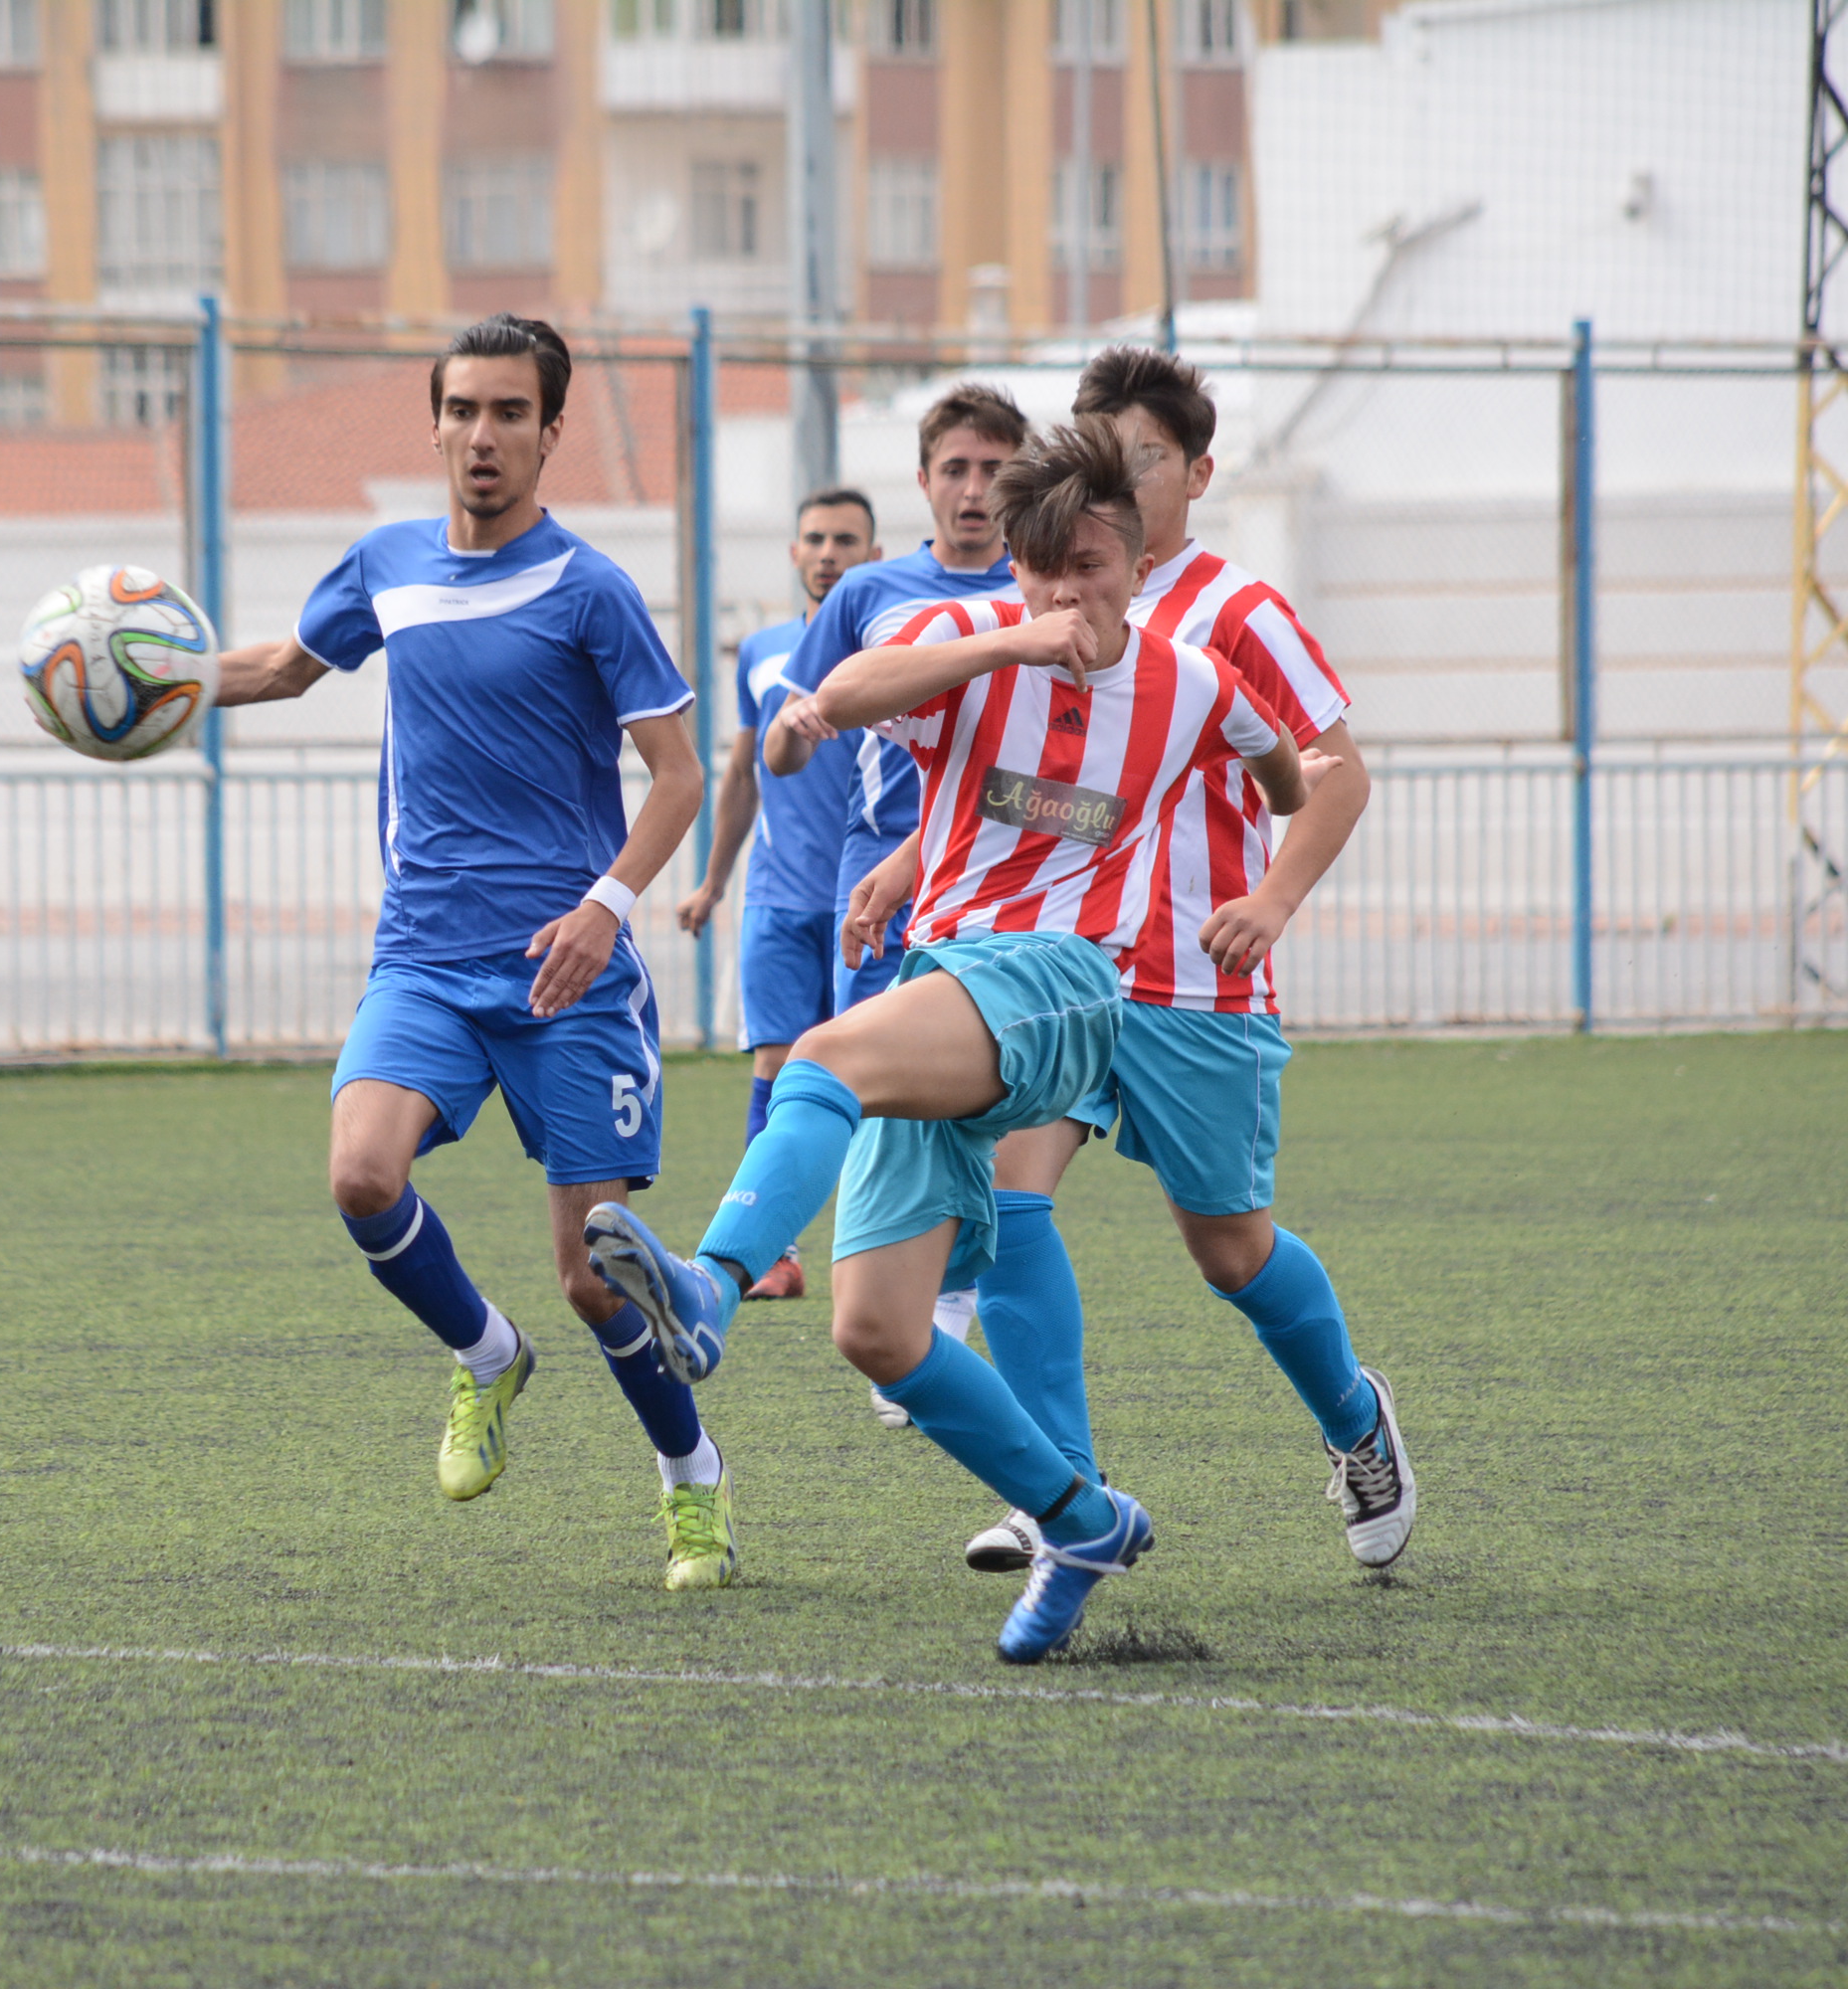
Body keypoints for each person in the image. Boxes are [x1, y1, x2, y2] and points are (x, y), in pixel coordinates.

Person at [586, 421, 1311, 1661]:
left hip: (1071, 981)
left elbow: (1285, 769)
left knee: (822, 1058)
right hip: (949, 973)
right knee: (876, 1328)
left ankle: (707, 1290)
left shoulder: (1190, 679)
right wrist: (1000, 643)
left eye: (1086, 565)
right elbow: (846, 694)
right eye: (1037, 567)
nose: (1060, 590)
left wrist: (1260, 849)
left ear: (1135, 565)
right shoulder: (974, 646)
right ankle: (1079, 1518)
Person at [203, 314, 734, 1592]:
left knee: (597, 1275)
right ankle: (487, 1357)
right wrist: (144, 685)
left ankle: (691, 1480)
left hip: (569, 976)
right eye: (462, 412)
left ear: (552, 431)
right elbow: (282, 667)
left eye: (509, 413)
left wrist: (608, 902)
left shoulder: (591, 588)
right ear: (433, 422)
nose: (482, 436)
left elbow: (677, 775)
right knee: (359, 1177)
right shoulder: (386, 563)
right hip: (427, 959)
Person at [905, 345, 1411, 1578]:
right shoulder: (1046, 597)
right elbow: (1001, 773)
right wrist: (899, 868)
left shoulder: (1233, 612)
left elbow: (1331, 772)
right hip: (1065, 969)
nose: (1115, 471)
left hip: (1195, 981)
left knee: (1229, 1248)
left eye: (1141, 454)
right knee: (1013, 1199)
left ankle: (1355, 1418)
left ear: (1193, 472)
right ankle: (1058, 1497)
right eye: (1096, 442)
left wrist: (1273, 898)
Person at [760, 384, 1028, 1421]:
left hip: (999, 883)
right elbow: (796, 723)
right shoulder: (870, 592)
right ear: (922, 482)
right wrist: (792, 733)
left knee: (987, 1107)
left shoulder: (1042, 594)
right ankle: (891, 1301)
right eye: (954, 468)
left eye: (993, 468)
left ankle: (942, 1305)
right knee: (873, 1089)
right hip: (874, 878)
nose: (973, 489)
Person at [673, 488, 884, 1304]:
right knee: (775, 1064)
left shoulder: (891, 648)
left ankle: (888, 1257)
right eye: (815, 538)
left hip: (868, 897)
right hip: (777, 897)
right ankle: (776, 1252)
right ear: (794, 553)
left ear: (873, 557)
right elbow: (741, 774)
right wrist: (712, 882)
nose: (828, 552)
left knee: (879, 1082)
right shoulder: (762, 652)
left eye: (845, 540)